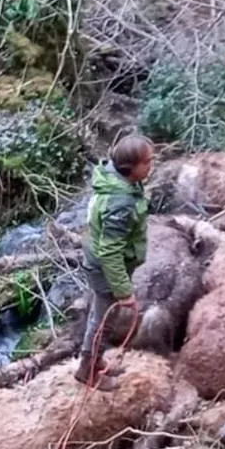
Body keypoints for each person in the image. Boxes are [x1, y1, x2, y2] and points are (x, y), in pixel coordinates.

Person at [76, 135, 155, 390]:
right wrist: (123, 290)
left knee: (99, 317)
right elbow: (110, 251)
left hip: (100, 263)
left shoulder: (119, 183)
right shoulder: (120, 202)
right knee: (102, 320)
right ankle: (87, 370)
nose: (151, 166)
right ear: (130, 167)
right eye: (147, 162)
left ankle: (95, 360)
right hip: (103, 267)